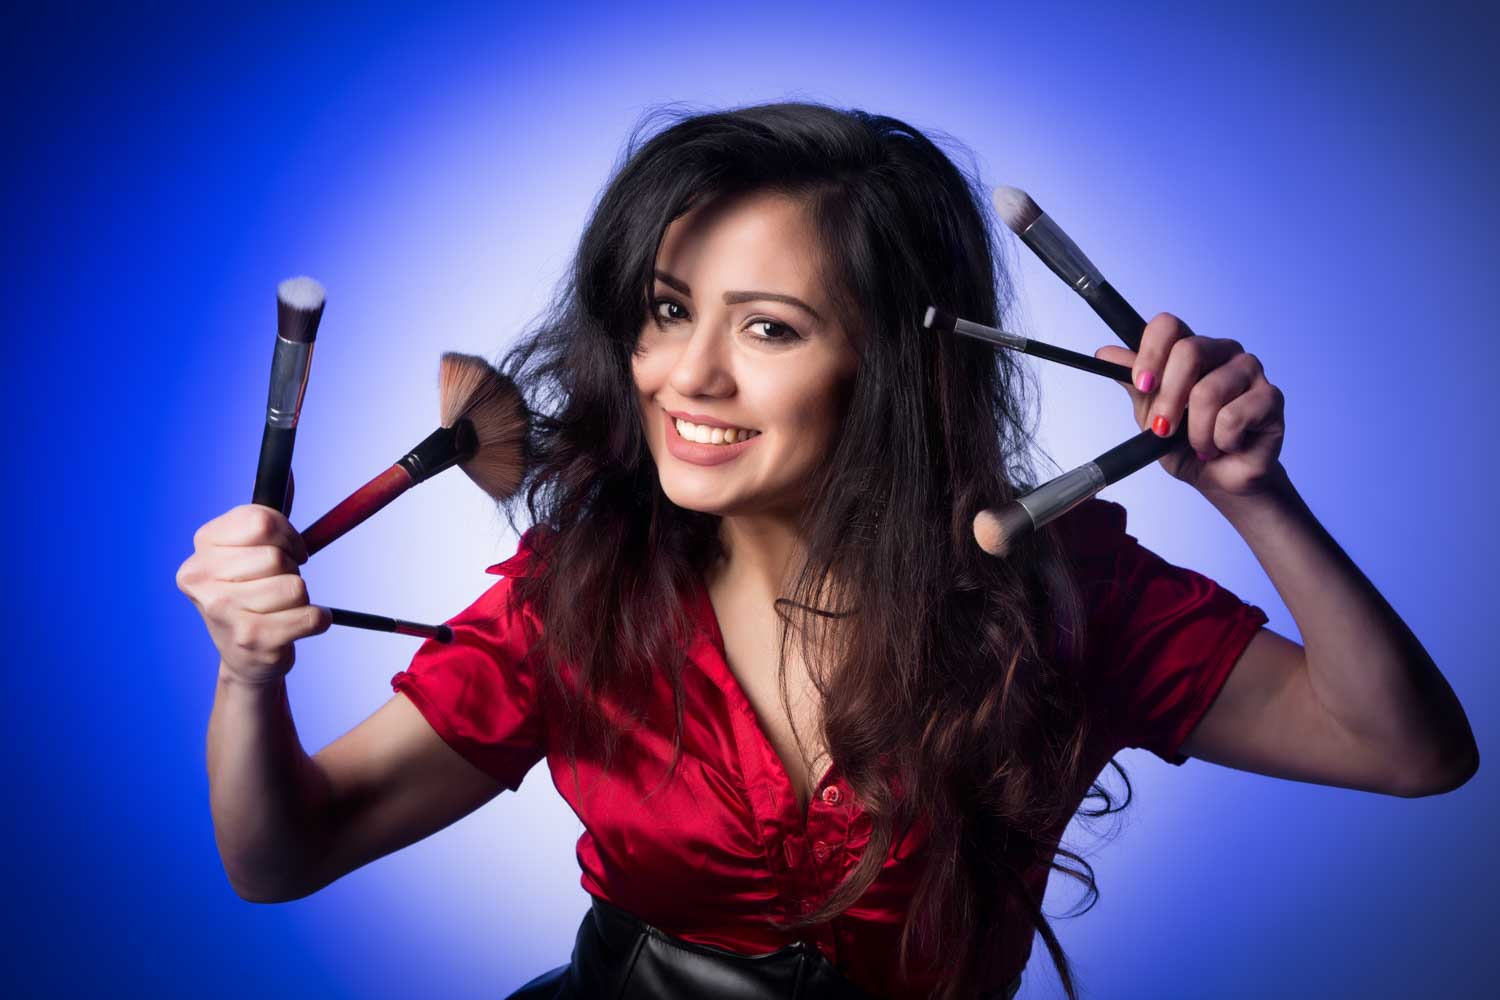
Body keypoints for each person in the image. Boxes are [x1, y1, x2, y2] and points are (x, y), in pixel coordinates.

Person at [177, 101, 1478, 1000]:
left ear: (901, 359)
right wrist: (247, 676)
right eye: (668, 310)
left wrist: (1258, 498)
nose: (687, 376)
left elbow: (1409, 753)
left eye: (772, 329)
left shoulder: (1065, 589)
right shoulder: (574, 597)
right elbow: (281, 857)